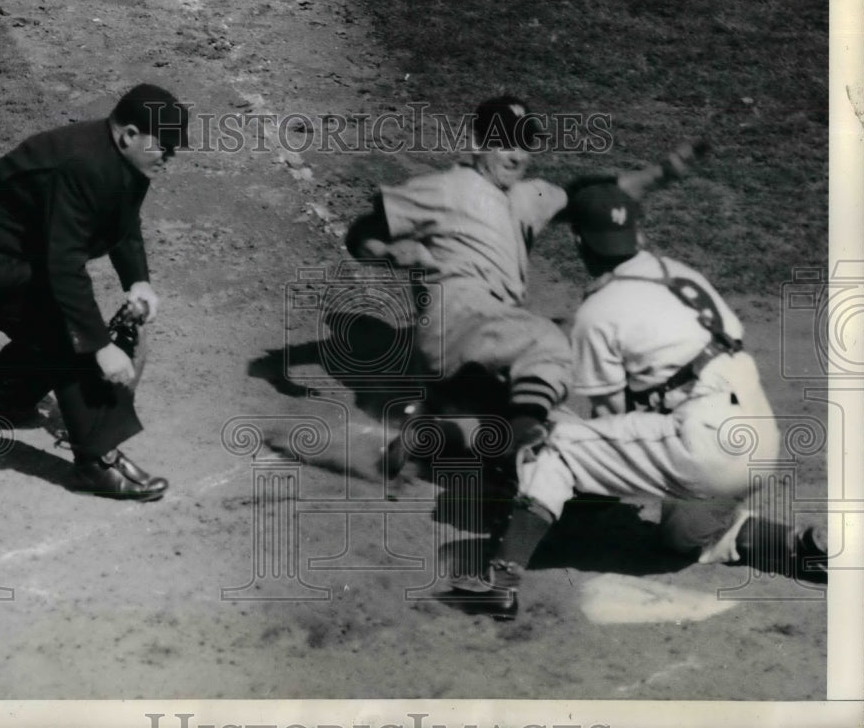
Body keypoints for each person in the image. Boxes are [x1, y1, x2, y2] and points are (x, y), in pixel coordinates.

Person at [455, 176, 828, 619]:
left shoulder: (598, 312)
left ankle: (499, 580)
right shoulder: (683, 274)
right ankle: (802, 547)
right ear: (641, 232)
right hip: (760, 439)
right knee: (683, 538)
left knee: (554, 447)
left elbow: (611, 418)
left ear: (577, 240)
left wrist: (579, 490)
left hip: (700, 441)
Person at [0, 83, 189, 501]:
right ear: (129, 135)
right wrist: (100, 345)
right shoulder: (82, 164)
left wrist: (137, 280)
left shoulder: (127, 160)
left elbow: (121, 220)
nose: (170, 156)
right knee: (68, 335)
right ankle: (95, 463)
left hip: (10, 256)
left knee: (52, 326)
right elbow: (63, 266)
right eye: (165, 145)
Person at [345, 96, 572, 466]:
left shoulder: (527, 195)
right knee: (548, 342)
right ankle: (513, 435)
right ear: (478, 143)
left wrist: (663, 172)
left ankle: (435, 432)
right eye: (503, 143)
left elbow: (584, 196)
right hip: (458, 326)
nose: (516, 155)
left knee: (546, 423)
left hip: (473, 346)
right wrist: (386, 254)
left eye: (524, 143)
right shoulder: (447, 188)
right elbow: (361, 232)